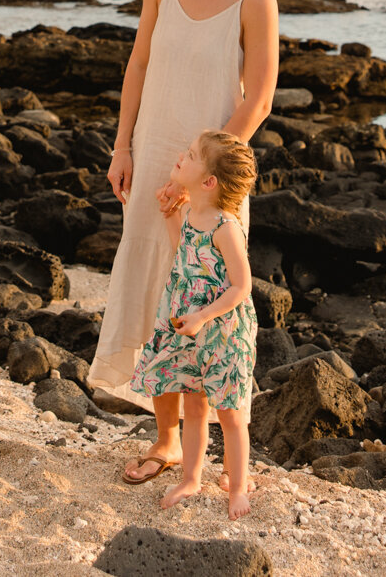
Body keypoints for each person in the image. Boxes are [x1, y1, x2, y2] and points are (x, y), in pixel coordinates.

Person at [88, 0, 278, 490]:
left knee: (207, 301)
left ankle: (224, 456)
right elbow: (137, 63)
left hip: (212, 176)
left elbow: (260, 100)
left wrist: (206, 179)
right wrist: (123, 147)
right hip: (154, 158)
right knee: (157, 293)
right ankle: (167, 441)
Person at [129, 130, 258, 520]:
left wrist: (203, 315)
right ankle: (191, 477)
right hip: (186, 326)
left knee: (231, 413)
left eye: (190, 155)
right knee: (194, 404)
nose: (181, 156)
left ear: (208, 182)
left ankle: (237, 486)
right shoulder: (192, 214)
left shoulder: (225, 227)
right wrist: (170, 213)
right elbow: (181, 252)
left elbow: (241, 286)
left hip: (221, 332)